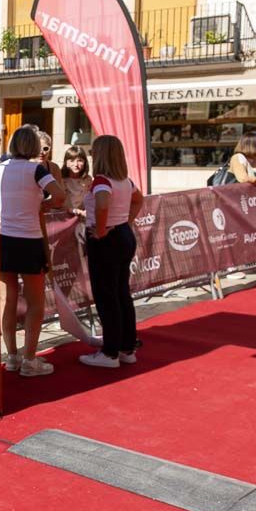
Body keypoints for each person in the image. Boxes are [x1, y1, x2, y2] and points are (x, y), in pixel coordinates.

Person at [0, 126, 66, 377]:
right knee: (35, 302)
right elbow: (60, 197)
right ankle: (29, 359)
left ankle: (12, 357)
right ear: (34, 147)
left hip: (3, 239)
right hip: (29, 240)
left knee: (8, 300)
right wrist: (40, 202)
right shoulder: (36, 169)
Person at [79, 135, 146, 369]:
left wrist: (100, 230)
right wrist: (124, 221)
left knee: (107, 296)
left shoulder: (101, 181)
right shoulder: (125, 181)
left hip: (107, 239)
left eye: (93, 151)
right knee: (121, 293)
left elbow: (102, 205)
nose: (90, 155)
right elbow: (139, 200)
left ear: (101, 155)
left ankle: (110, 353)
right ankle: (126, 348)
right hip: (123, 236)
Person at [61, 146, 93, 215]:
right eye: (71, 161)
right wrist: (73, 210)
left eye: (80, 160)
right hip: (63, 216)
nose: (76, 165)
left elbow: (90, 200)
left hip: (82, 217)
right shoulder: (60, 179)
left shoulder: (88, 180)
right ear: (66, 162)